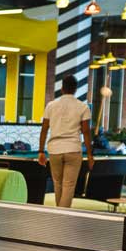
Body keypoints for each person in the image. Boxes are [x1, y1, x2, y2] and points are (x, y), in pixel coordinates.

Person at [38, 74, 94, 208]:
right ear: (75, 89)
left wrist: (41, 151)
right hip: (73, 149)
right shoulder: (83, 107)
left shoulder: (51, 105)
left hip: (55, 150)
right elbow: (86, 132)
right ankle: (62, 216)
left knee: (57, 184)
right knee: (68, 186)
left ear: (62, 88)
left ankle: (60, 214)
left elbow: (44, 129)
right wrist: (90, 155)